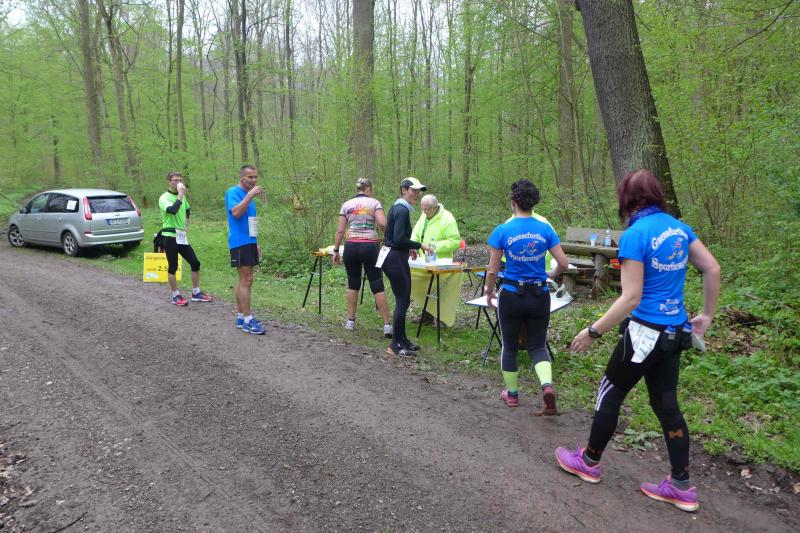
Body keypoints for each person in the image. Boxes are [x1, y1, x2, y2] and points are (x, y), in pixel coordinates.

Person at [555, 169, 720, 513]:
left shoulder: (635, 234)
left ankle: (589, 461)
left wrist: (593, 331)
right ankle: (681, 485)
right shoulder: (680, 228)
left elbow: (631, 297)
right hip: (675, 334)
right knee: (668, 407)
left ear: (627, 199)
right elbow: (712, 268)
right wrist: (706, 315)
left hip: (643, 334)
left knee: (610, 393)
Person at [485, 180, 569, 413]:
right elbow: (564, 263)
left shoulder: (502, 231)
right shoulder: (545, 229)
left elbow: (492, 270)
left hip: (511, 295)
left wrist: (489, 291)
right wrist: (551, 274)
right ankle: (547, 386)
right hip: (539, 294)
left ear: (513, 202)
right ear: (533, 203)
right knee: (538, 346)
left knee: (510, 347)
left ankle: (512, 395)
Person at [333, 178, 392, 337]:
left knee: (353, 284)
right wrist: (388, 238)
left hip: (351, 246)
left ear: (358, 189)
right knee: (377, 284)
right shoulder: (374, 203)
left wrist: (336, 250)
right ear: (369, 189)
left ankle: (350, 321)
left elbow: (340, 230)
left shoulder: (346, 205)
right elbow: (383, 224)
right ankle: (387, 325)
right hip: (370, 246)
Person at [382, 177, 433, 356]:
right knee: (402, 301)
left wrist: (409, 246)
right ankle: (395, 346)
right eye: (413, 190)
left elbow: (395, 237)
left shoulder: (397, 207)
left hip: (393, 257)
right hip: (395, 260)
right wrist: (419, 245)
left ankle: (402, 340)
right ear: (404, 190)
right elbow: (398, 239)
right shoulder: (402, 210)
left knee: (402, 300)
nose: (417, 194)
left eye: (418, 191)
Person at [158, 171, 213, 306]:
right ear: (169, 182)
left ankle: (196, 293)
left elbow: (187, 209)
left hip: (181, 236)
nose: (178, 183)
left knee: (195, 263)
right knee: (173, 266)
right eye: (175, 180)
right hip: (169, 236)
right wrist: (181, 194)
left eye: (180, 180)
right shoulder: (164, 198)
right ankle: (175, 295)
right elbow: (172, 210)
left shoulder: (182, 197)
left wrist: (187, 222)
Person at [409, 194, 462, 327]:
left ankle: (442, 318)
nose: (424, 212)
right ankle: (427, 315)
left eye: (427, 209)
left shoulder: (447, 218)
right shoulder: (424, 216)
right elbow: (416, 233)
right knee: (425, 287)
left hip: (441, 262)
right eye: (423, 209)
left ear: (435, 207)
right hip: (424, 260)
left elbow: (455, 241)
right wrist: (413, 244)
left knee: (440, 290)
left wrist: (433, 246)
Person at [225, 165, 266, 335]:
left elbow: (250, 221)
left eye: (255, 177)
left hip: (249, 241)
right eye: (250, 177)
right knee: (246, 280)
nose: (253, 180)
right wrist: (249, 196)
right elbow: (236, 213)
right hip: (239, 241)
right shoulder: (233, 192)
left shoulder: (250, 197)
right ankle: (248, 320)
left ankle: (241, 317)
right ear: (241, 177)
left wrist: (255, 242)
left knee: (245, 280)